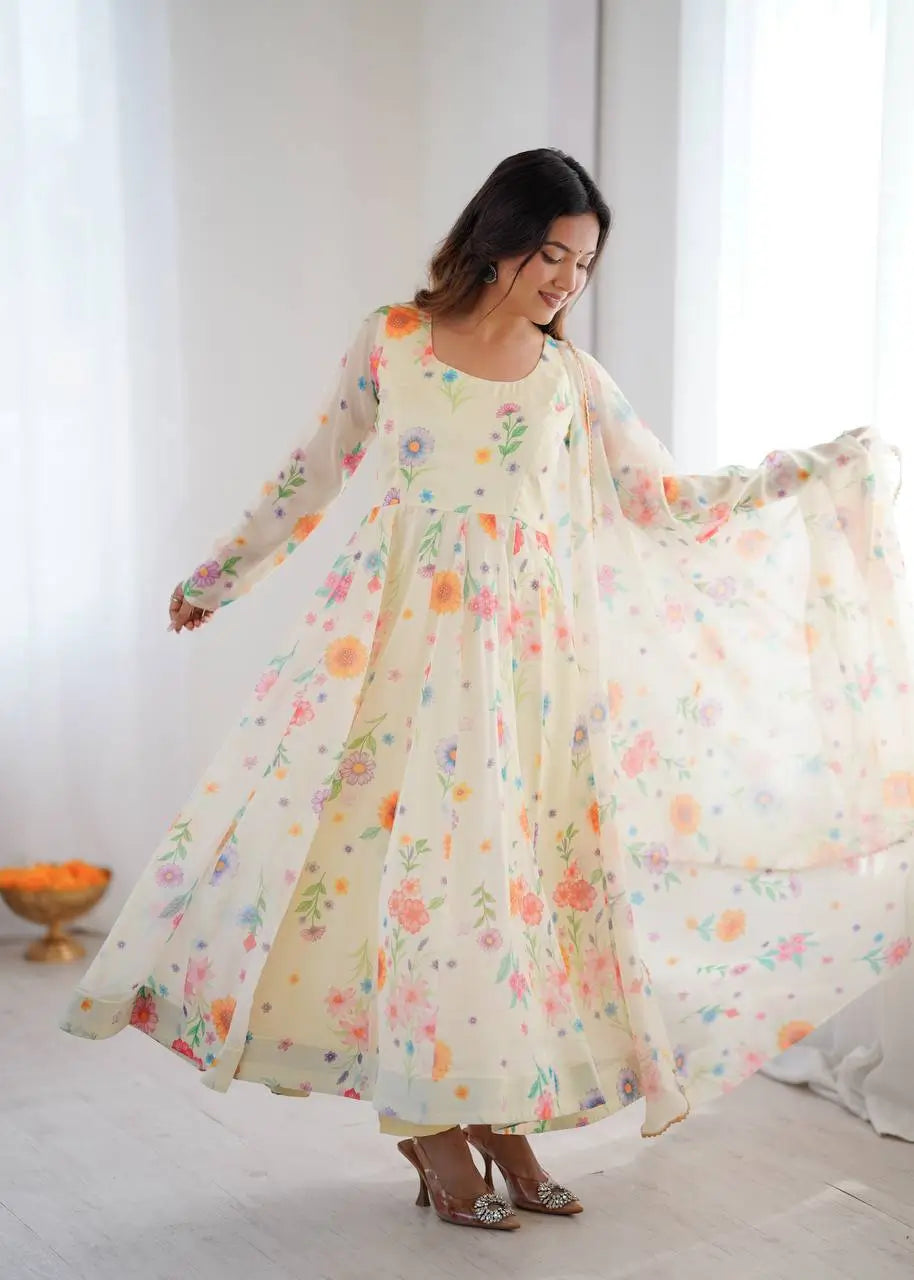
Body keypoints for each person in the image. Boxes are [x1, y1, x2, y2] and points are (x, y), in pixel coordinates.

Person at [61, 149, 914, 1232]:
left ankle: (498, 1112)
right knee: (403, 878)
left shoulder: (568, 378)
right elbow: (312, 470)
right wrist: (217, 578)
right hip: (397, 651)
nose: (565, 279)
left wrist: (807, 470)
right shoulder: (394, 340)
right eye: (551, 253)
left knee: (510, 893)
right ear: (495, 235)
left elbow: (662, 499)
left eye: (583, 263)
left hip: (525, 672)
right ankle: (432, 1120)